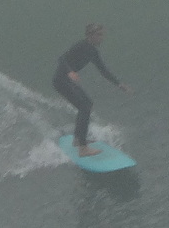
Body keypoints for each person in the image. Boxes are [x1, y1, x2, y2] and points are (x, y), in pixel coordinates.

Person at [53, 23, 131, 156]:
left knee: (86, 105)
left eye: (102, 35)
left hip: (66, 81)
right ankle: (83, 148)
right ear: (90, 36)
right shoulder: (81, 46)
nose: (101, 38)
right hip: (61, 80)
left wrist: (119, 84)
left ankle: (78, 139)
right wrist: (70, 71)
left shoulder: (93, 52)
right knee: (85, 106)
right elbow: (61, 59)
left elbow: (103, 70)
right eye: (99, 35)